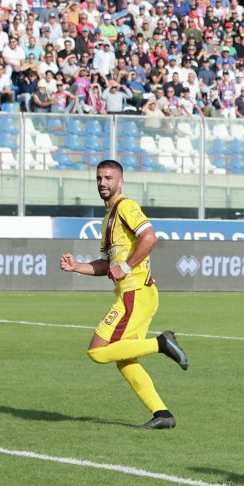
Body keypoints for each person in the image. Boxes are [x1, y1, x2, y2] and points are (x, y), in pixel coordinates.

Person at [59, 160, 189, 429]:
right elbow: (108, 265)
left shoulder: (126, 207)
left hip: (135, 293)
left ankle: (161, 344)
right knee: (124, 359)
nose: (103, 183)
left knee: (97, 351)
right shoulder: (108, 218)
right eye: (99, 178)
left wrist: (127, 266)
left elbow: (150, 237)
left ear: (120, 182)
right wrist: (77, 267)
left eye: (108, 178)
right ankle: (162, 414)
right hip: (137, 294)